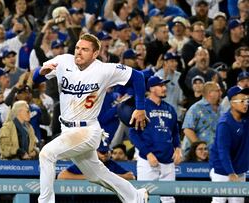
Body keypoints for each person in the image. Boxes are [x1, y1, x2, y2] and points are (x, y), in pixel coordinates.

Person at [32, 33, 148, 203]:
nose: (79, 52)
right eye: (78, 47)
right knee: (96, 175)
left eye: (85, 49)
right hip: (67, 129)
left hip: (87, 130)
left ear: (95, 54)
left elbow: (138, 77)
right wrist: (40, 73)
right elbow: (36, 78)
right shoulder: (64, 61)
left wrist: (140, 108)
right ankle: (135, 197)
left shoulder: (104, 70)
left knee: (46, 154)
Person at [129, 75, 181, 203]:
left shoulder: (170, 109)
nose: (164, 88)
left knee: (168, 199)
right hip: (148, 161)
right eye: (161, 85)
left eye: (164, 85)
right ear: (151, 88)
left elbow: (175, 132)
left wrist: (178, 148)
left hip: (168, 161)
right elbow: (133, 134)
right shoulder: (142, 107)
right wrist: (148, 154)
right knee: (144, 197)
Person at [209, 86, 249, 203]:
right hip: (221, 170)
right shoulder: (225, 124)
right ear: (232, 103)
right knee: (219, 201)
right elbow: (223, 151)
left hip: (239, 170)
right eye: (242, 101)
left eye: (247, 101)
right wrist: (230, 173)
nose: (246, 104)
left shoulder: (246, 118)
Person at [57, 144, 135, 180]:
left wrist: (109, 177)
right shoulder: (86, 161)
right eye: (102, 152)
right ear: (95, 152)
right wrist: (88, 177)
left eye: (107, 152)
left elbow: (131, 176)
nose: (105, 155)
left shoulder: (110, 163)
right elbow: (61, 176)